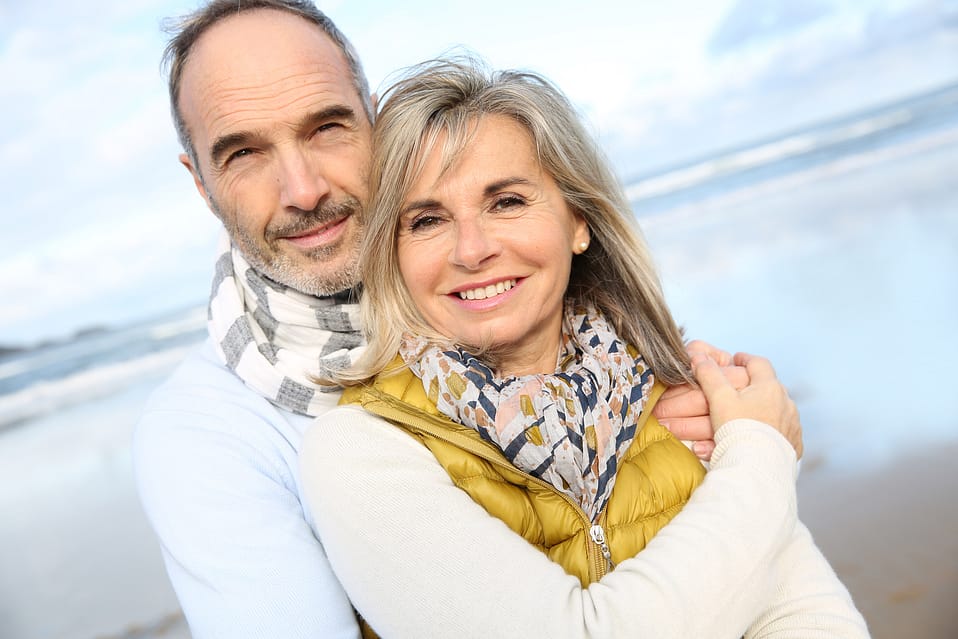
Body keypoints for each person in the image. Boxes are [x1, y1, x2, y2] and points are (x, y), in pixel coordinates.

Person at [133, 2, 730, 637]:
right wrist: (759, 465)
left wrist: (735, 432)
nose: (303, 189)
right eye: (243, 153)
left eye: (325, 128)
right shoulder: (204, 438)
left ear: (373, 118)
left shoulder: (562, 331)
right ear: (200, 183)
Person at [299, 58, 869, 638]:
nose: (471, 250)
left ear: (578, 220)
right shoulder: (361, 451)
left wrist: (748, 451)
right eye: (426, 220)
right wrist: (761, 451)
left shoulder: (672, 384)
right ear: (392, 255)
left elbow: (807, 615)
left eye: (507, 202)